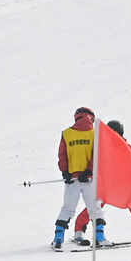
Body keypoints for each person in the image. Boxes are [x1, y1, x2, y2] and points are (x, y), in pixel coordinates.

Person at [73, 121, 131, 241]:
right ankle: (79, 231)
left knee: (130, 203)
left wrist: (127, 168)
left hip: (122, 183)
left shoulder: (122, 146)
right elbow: (95, 162)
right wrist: (89, 172)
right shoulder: (103, 146)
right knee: (96, 204)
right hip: (109, 184)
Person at [53, 107, 106, 250]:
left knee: (67, 209)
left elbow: (62, 155)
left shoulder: (67, 134)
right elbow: (97, 155)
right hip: (89, 178)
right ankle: (100, 237)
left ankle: (58, 237)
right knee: (95, 209)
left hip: (72, 180)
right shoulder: (95, 134)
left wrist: (65, 173)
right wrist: (89, 170)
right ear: (91, 118)